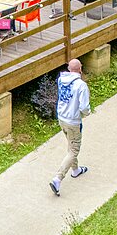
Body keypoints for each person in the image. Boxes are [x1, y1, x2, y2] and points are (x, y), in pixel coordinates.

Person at [49, 59, 92, 196]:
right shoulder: (81, 85)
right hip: (73, 122)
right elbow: (84, 107)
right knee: (74, 150)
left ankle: (76, 170)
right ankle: (58, 178)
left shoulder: (61, 80)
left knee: (70, 144)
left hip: (62, 118)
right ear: (80, 69)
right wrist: (87, 113)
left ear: (68, 68)